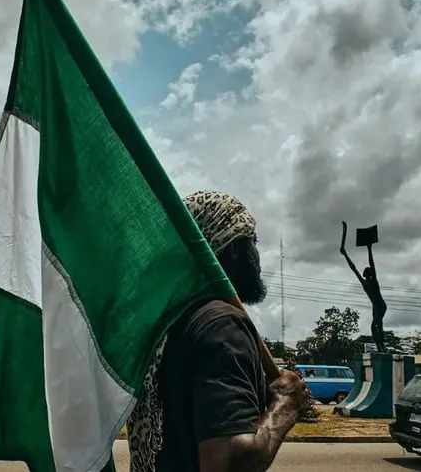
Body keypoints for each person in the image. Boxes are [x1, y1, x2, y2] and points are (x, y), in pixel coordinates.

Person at [127, 190, 307, 472]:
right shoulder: (221, 325)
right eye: (254, 241)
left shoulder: (164, 324)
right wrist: (286, 405)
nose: (257, 255)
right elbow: (226, 461)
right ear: (234, 247)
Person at [339, 243, 387, 353]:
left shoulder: (374, 281)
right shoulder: (364, 283)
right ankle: (381, 346)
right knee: (378, 326)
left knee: (374, 326)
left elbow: (372, 263)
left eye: (366, 270)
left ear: (369, 273)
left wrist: (369, 249)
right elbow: (353, 268)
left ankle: (380, 347)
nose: (363, 271)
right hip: (375, 306)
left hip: (381, 305)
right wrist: (345, 254)